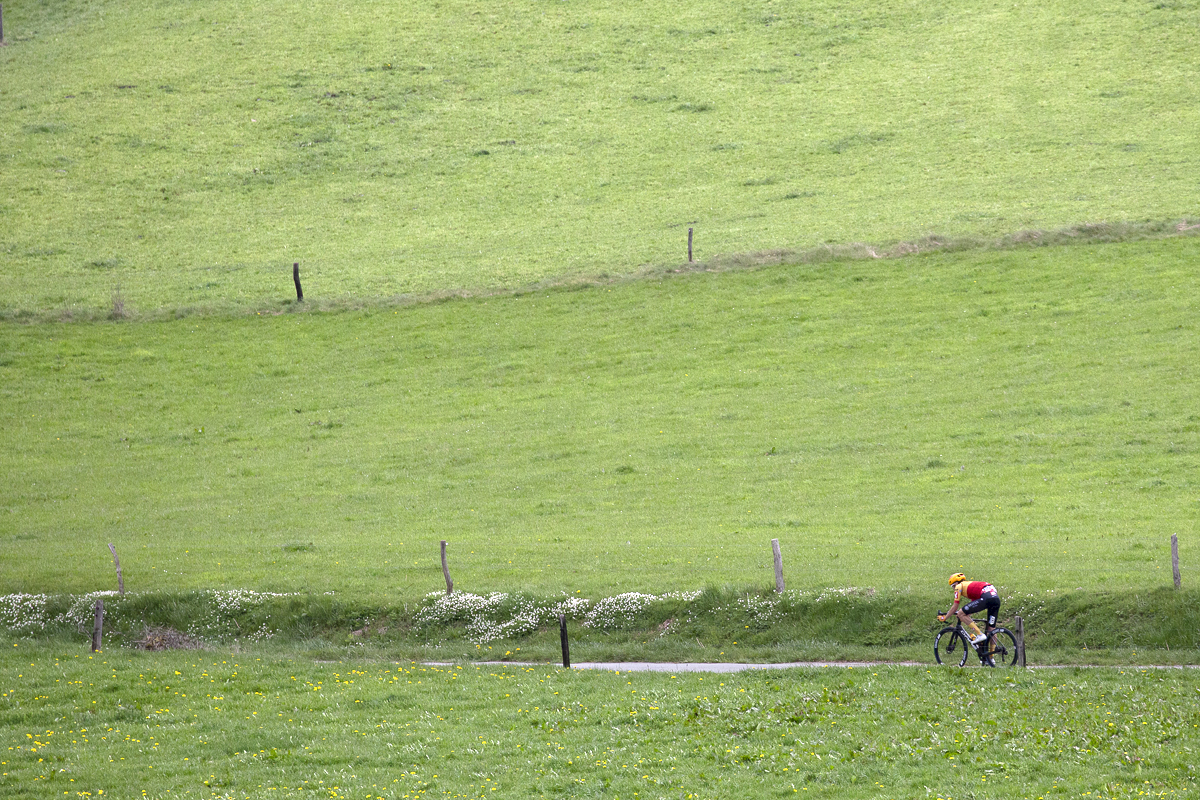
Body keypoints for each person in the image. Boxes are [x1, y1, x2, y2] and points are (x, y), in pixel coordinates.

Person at [940, 572, 1001, 645]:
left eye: (952, 586)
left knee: (961, 613)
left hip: (987, 598)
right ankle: (991, 655)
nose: (953, 589)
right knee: (991, 629)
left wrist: (945, 617)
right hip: (995, 599)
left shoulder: (958, 586)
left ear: (955, 583)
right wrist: (963, 614)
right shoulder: (970, 586)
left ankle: (980, 634)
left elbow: (955, 606)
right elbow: (974, 606)